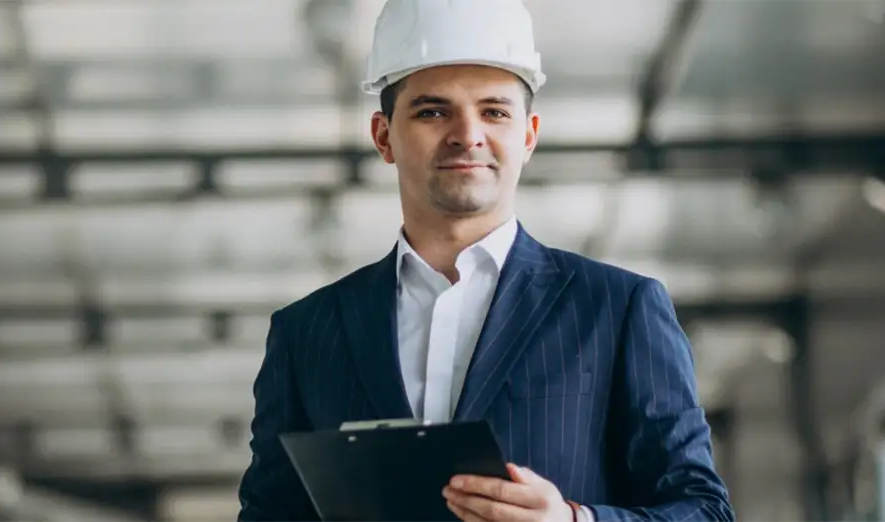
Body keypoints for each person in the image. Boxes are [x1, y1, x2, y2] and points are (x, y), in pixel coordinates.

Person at [236, 0, 734, 520]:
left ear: (529, 135)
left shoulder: (617, 308)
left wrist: (572, 520)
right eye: (432, 112)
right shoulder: (307, 334)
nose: (467, 134)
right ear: (383, 136)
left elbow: (704, 510)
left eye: (494, 111)